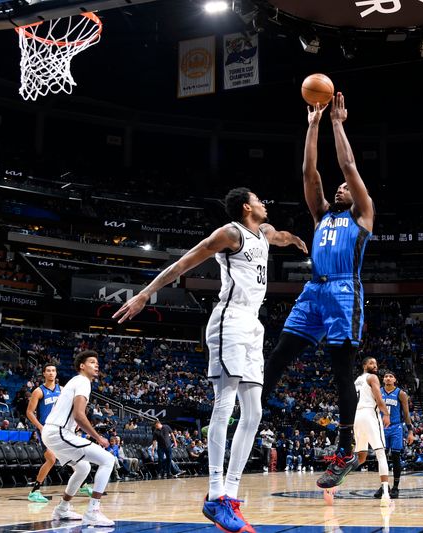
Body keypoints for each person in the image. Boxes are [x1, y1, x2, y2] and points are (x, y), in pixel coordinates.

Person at [114, 187, 307, 533]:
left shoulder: (262, 232)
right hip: (229, 320)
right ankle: (216, 493)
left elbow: (278, 236)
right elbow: (184, 262)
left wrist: (294, 240)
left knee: (256, 412)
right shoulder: (230, 233)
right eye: (260, 199)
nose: (266, 203)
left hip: (253, 324)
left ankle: (230, 494)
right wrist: (145, 293)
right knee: (225, 405)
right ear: (247, 207)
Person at [261, 93, 375, 489]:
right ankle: (252, 411)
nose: (342, 188)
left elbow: (347, 164)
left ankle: (345, 449)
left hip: (345, 291)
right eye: (339, 188)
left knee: (341, 372)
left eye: (347, 187)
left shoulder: (362, 215)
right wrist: (312, 125)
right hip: (313, 291)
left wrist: (337, 124)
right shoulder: (321, 214)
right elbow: (311, 173)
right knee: (278, 355)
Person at [41, 350, 115, 527]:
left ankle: (62, 508)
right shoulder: (82, 381)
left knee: (83, 468)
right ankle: (93, 512)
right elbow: (79, 416)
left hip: (52, 433)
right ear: (82, 366)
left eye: (97, 362)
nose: (96, 365)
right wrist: (98, 438)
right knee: (108, 459)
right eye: (91, 362)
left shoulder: (74, 382)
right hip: (59, 432)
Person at [351, 357, 391, 506]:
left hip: (356, 416)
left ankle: (335, 481)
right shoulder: (372, 377)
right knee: (381, 453)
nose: (374, 365)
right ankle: (386, 495)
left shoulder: (357, 380)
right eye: (371, 363)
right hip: (369, 414)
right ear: (364, 365)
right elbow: (379, 398)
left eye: (375, 363)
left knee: (360, 457)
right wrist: (386, 414)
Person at [374, 370, 414, 499]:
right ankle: (384, 485)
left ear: (395, 380)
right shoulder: (378, 392)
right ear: (383, 379)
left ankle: (396, 487)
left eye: (391, 376)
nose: (388, 378)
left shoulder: (401, 393)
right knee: (381, 458)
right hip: (381, 428)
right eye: (386, 376)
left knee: (396, 457)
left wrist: (410, 431)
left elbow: (406, 414)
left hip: (396, 427)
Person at [25, 363, 61, 503]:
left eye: (53, 370)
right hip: (45, 429)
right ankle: (35, 491)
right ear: (44, 374)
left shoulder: (62, 390)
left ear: (56, 373)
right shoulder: (38, 391)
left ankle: (83, 485)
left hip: (58, 429)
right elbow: (29, 412)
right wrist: (40, 427)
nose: (51, 373)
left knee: (69, 456)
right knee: (51, 459)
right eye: (48, 371)